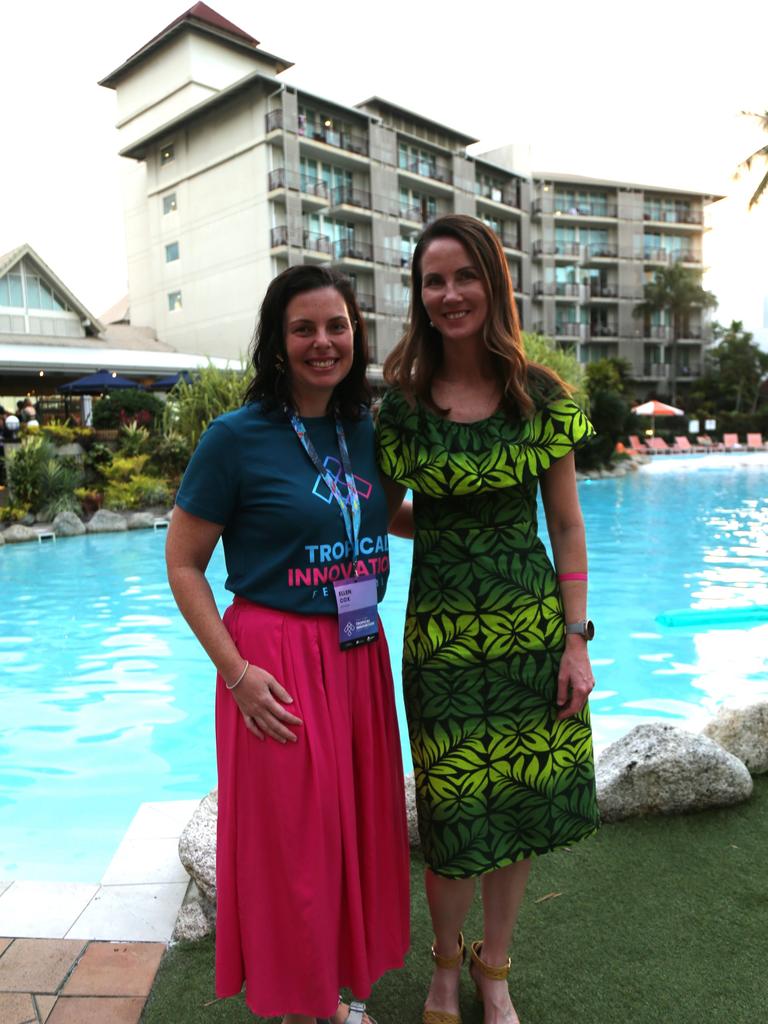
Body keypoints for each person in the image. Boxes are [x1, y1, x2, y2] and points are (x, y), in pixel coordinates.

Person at [166, 265, 409, 1024]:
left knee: (357, 831)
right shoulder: (234, 439)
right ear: (276, 341)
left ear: (356, 335)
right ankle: (306, 1006)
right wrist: (236, 675)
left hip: (358, 650)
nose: (322, 342)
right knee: (294, 846)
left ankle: (334, 989)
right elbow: (183, 564)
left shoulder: (371, 429)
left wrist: (490, 511)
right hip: (274, 662)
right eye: (303, 328)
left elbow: (388, 516)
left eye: (336, 326)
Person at [376, 214, 600, 1024]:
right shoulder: (401, 407)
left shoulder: (537, 397)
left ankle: (492, 967)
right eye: (433, 281)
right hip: (440, 641)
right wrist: (446, 526)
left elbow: (568, 525)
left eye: (464, 276)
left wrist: (576, 641)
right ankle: (444, 966)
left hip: (533, 634)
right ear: (420, 296)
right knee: (453, 809)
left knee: (522, 803)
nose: (449, 294)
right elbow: (383, 513)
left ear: (493, 284)